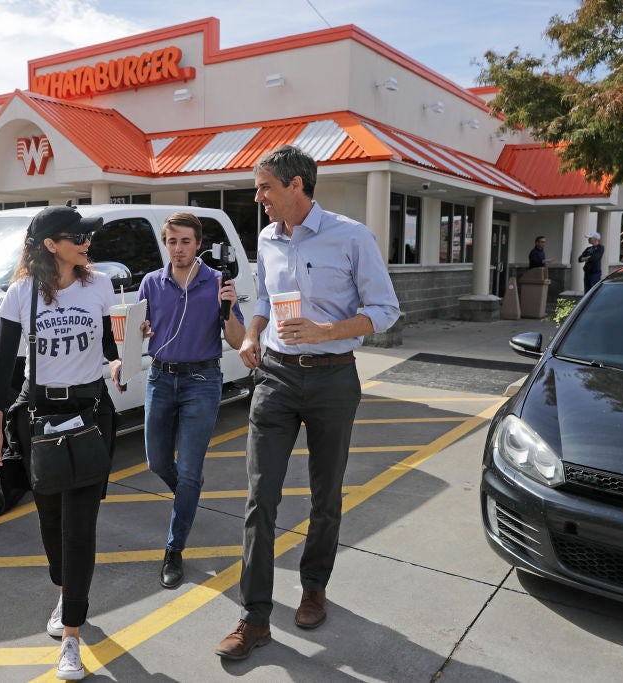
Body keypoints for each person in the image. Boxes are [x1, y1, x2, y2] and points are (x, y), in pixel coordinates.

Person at [215, 145, 400, 660]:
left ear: (297, 186)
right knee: (260, 499)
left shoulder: (352, 236)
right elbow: (267, 303)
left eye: (265, 187)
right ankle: (255, 617)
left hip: (332, 380)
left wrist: (326, 331)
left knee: (326, 494)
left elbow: (384, 311)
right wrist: (253, 335)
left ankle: (314, 586)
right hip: (274, 378)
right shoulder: (268, 239)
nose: (259, 198)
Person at [0, 205, 123, 681]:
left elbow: (109, 341)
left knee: (80, 525)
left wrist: (121, 357)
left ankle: (71, 637)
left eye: (87, 236)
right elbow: (3, 366)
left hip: (90, 413)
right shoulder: (21, 294)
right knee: (51, 519)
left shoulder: (100, 285)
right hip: (38, 414)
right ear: (50, 244)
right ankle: (65, 591)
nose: (86, 242)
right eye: (77, 236)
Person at [137, 212, 246, 589]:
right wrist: (138, 335)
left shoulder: (217, 282)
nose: (178, 248)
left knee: (187, 472)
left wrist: (229, 307)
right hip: (161, 378)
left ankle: (174, 549)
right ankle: (189, 489)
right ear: (164, 244)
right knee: (157, 461)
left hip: (202, 380)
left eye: (186, 241)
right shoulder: (152, 282)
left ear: (198, 244)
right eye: (172, 241)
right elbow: (140, 333)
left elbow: (236, 340)